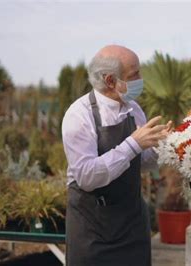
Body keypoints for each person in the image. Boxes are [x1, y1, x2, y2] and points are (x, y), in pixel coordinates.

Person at [62, 45, 171, 266]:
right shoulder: (79, 115)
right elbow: (86, 176)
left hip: (132, 225)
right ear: (111, 80)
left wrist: (164, 145)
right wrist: (133, 144)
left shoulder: (133, 108)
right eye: (134, 74)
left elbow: (143, 162)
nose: (141, 79)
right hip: (92, 230)